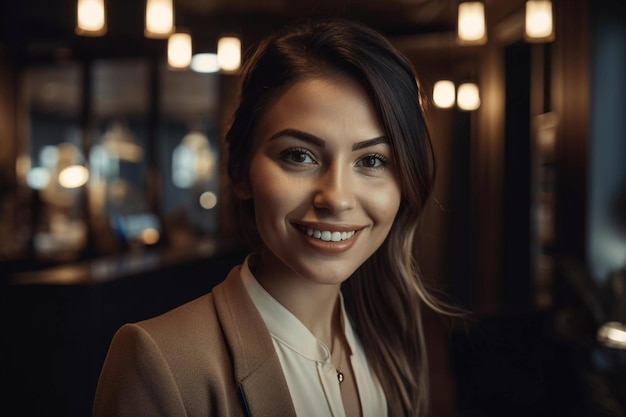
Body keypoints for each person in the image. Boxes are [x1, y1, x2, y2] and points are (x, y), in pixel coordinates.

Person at [93, 17, 455, 417]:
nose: (335, 198)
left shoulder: (393, 347)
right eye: (299, 156)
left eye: (371, 160)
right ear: (241, 172)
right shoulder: (160, 362)